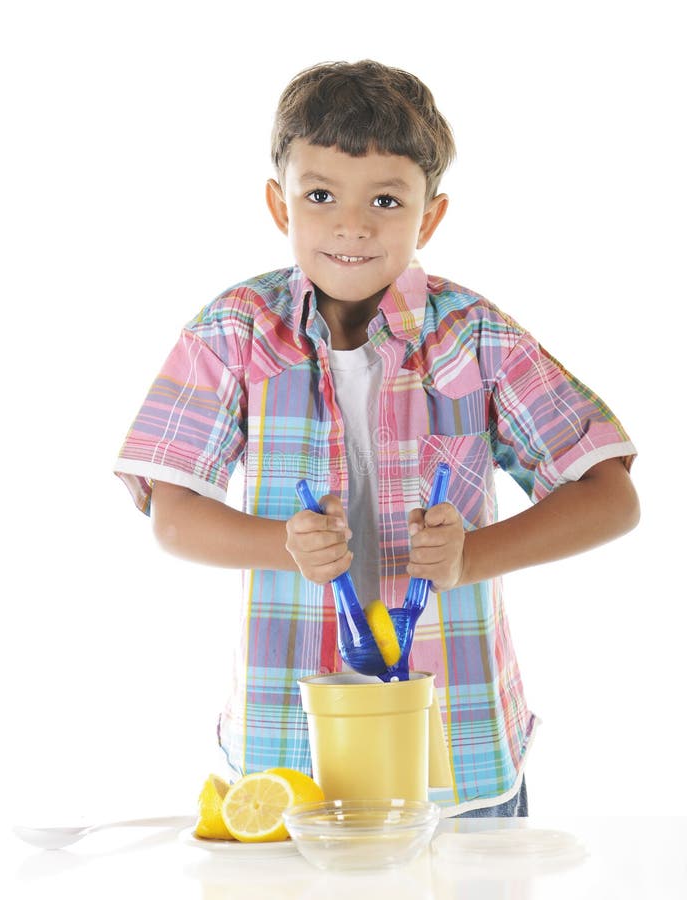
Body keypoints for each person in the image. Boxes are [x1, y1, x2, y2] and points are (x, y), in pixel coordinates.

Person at [114, 60, 639, 816]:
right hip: (290, 758)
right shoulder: (234, 330)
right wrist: (282, 543)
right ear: (278, 202)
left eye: (386, 201)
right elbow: (172, 514)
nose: (351, 225)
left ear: (429, 217)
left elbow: (610, 497)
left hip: (456, 754)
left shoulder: (474, 334)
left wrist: (471, 557)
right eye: (320, 195)